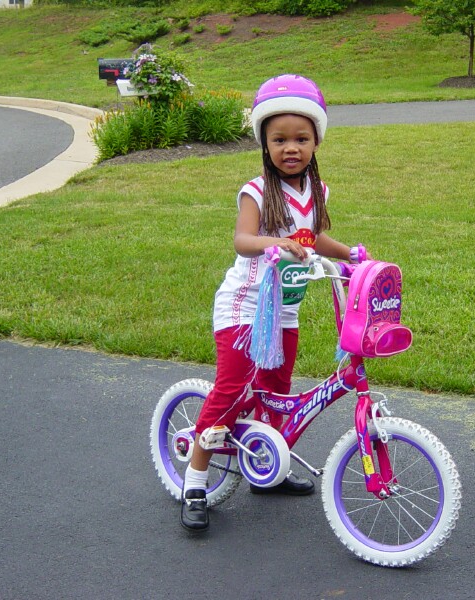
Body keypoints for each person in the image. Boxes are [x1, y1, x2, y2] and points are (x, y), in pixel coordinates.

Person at [181, 74, 356, 531]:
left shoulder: (317, 191)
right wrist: (274, 242)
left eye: (301, 138)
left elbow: (313, 236)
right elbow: (243, 240)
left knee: (276, 391)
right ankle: (195, 480)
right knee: (231, 389)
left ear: (316, 141)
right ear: (265, 143)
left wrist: (351, 255)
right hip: (244, 308)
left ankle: (267, 466)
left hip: (285, 310)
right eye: (279, 140)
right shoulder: (256, 191)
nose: (290, 148)